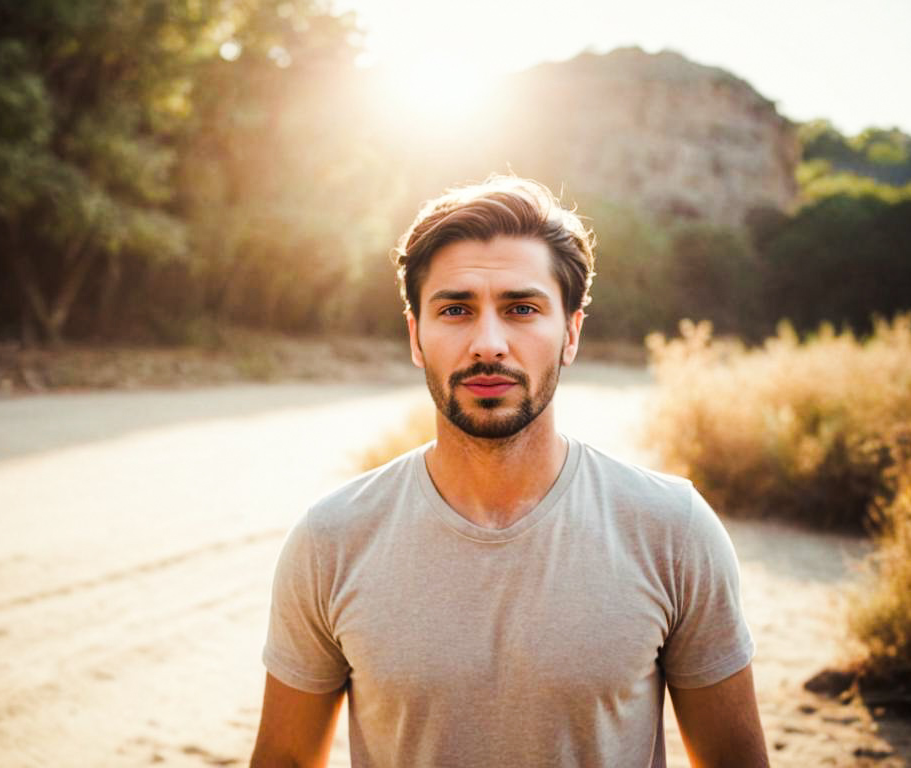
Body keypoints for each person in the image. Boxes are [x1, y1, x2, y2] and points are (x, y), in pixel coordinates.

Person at [251, 176, 769, 767]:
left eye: (522, 309)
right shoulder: (332, 538)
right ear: (416, 336)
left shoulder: (673, 530)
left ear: (570, 333)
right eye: (455, 309)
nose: (488, 343)